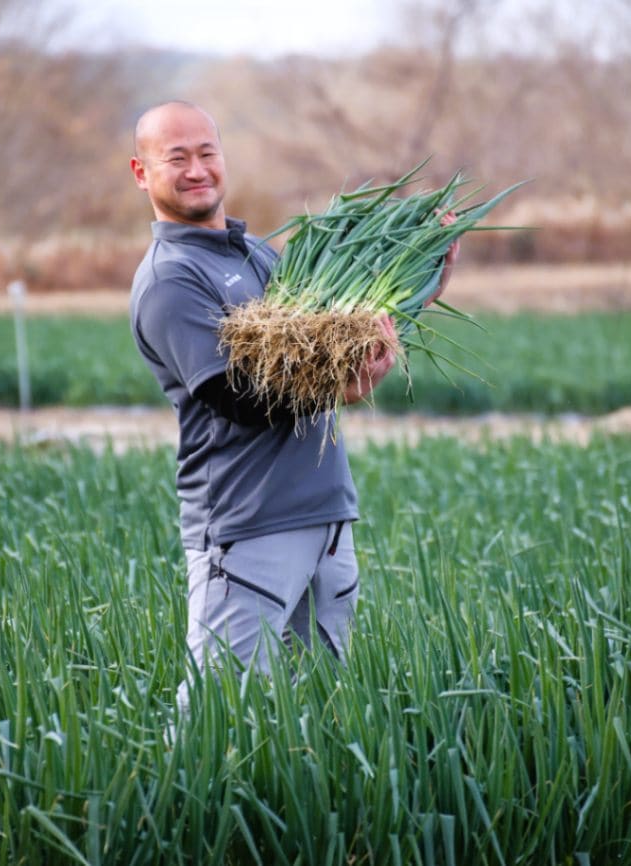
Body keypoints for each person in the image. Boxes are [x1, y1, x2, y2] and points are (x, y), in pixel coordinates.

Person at [127, 100, 458, 713]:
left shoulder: (261, 256)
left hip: (327, 520)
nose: (197, 168)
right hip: (247, 528)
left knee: (319, 712)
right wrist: (340, 390)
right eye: (177, 158)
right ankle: (166, 811)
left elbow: (337, 346)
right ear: (141, 172)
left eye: (207, 152)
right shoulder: (170, 279)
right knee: (218, 713)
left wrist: (417, 292)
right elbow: (237, 397)